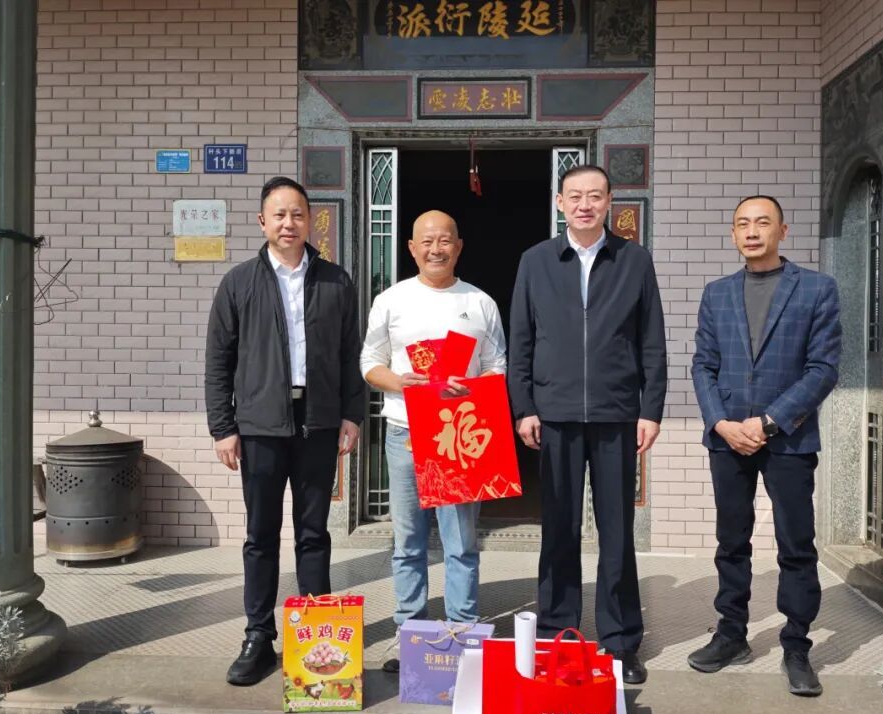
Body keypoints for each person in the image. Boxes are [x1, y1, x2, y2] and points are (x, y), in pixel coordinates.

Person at [508, 165, 667, 685]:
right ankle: (558, 632)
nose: (584, 205)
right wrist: (524, 407)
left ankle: (620, 641)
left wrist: (650, 409)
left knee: (617, 532)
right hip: (554, 416)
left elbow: (652, 341)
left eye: (594, 196)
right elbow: (521, 341)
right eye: (575, 196)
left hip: (616, 415)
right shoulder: (536, 260)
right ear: (560, 202)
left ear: (609, 201)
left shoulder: (634, 260)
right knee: (559, 529)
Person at [205, 176, 364, 686]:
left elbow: (350, 353)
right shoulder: (239, 283)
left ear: (310, 220)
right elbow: (218, 361)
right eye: (279, 214)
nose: (289, 223)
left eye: (298, 214)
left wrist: (352, 414)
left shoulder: (336, 281)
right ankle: (258, 635)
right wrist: (223, 427)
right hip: (260, 427)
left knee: (313, 533)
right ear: (262, 222)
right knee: (261, 535)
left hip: (318, 423)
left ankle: (315, 636)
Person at [689, 195, 841, 697]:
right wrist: (721, 422)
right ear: (734, 234)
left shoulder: (816, 289)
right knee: (731, 541)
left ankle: (796, 645)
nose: (752, 232)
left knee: (796, 544)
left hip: (789, 440)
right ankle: (731, 634)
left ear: (782, 230)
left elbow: (823, 368)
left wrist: (769, 421)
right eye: (742, 224)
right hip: (728, 439)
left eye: (762, 223)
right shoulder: (716, 293)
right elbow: (704, 365)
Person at [360, 210, 507, 673]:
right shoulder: (391, 300)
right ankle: (410, 633)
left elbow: (498, 365)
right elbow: (369, 362)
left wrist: (473, 386)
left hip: (459, 434)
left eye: (444, 241)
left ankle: (463, 631)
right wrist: (401, 383)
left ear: (458, 247)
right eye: (427, 241)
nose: (435, 249)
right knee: (408, 541)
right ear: (411, 247)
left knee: (460, 541)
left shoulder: (480, 302)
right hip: (405, 431)